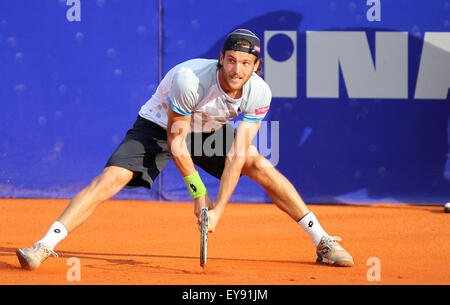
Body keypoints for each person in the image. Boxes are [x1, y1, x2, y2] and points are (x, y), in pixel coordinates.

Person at [16, 29, 354, 270]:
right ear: (221, 59)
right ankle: (45, 245)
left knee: (260, 166)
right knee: (112, 178)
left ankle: (323, 241)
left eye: (245, 64)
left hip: (208, 130)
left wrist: (219, 207)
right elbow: (177, 141)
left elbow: (238, 152)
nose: (237, 70)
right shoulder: (190, 80)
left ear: (256, 67)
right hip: (161, 127)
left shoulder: (259, 93)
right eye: (231, 61)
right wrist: (198, 192)